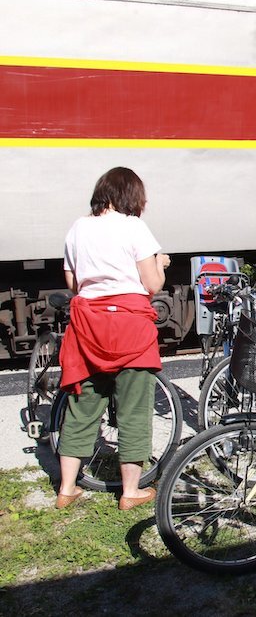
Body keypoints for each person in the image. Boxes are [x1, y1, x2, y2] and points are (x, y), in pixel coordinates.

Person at [56, 167, 169, 510]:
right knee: (134, 409)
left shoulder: (78, 227)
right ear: (130, 196)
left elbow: (73, 282)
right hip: (130, 328)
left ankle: (67, 488)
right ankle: (130, 492)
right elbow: (151, 285)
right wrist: (160, 263)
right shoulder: (134, 227)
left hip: (88, 327)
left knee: (82, 407)